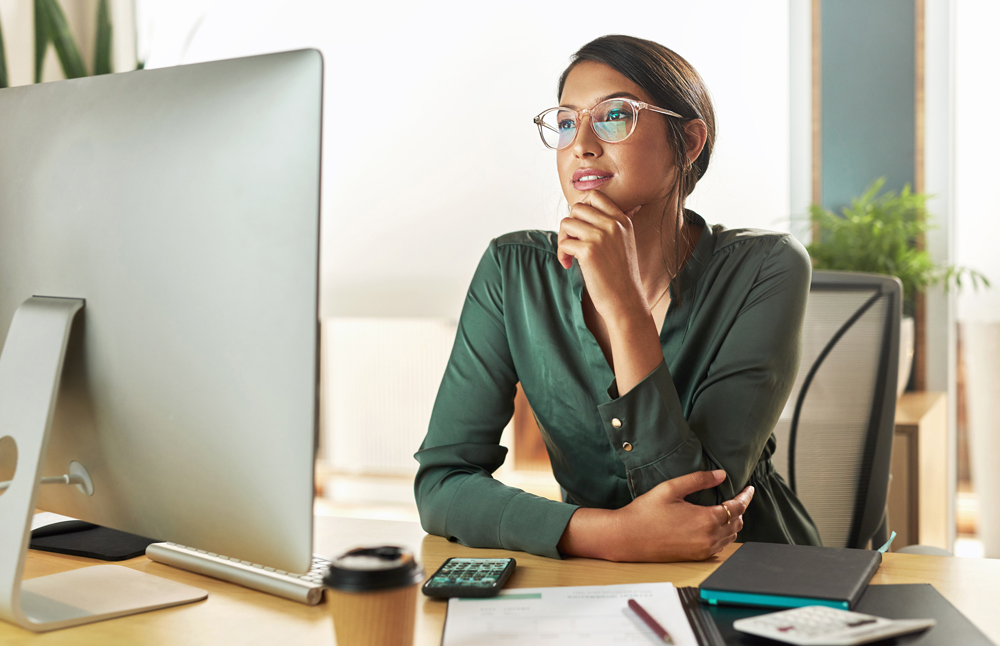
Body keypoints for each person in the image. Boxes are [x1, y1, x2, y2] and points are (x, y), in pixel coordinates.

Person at [414, 34, 822, 562]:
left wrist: (624, 307)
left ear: (690, 141)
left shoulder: (767, 266)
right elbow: (443, 485)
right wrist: (603, 534)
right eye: (566, 122)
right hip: (588, 579)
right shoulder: (512, 271)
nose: (581, 142)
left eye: (613, 116)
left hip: (750, 575)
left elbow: (696, 509)